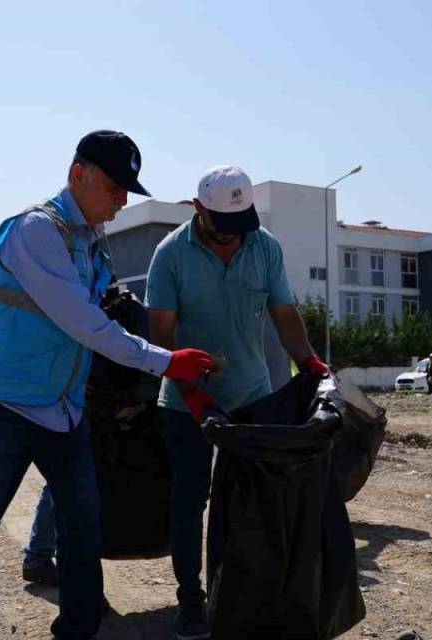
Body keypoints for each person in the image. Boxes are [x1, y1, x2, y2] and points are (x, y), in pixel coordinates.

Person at [0, 130, 215, 640]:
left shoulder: (94, 244)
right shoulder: (36, 231)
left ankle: (77, 629)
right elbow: (82, 322)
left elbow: (104, 310)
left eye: (126, 191)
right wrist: (164, 362)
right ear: (79, 175)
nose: (121, 200)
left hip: (62, 409)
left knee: (82, 525)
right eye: (115, 187)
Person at [144, 164, 330, 639]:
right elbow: (161, 337)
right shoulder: (169, 256)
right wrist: (190, 388)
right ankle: (191, 601)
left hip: (251, 395)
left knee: (256, 501)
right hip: (185, 402)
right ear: (197, 209)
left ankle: (250, 595)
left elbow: (284, 314)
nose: (231, 241)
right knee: (189, 502)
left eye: (238, 230)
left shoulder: (264, 246)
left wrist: (309, 362)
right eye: (221, 230)